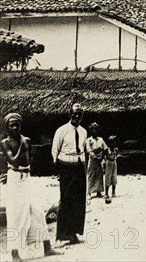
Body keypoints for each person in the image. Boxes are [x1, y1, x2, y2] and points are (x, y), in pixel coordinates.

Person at [1, 113, 62, 261]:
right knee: (16, 215)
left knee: (37, 211)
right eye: (12, 125)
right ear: (7, 128)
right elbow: (14, 161)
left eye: (17, 125)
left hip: (26, 178)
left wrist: (26, 167)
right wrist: (21, 146)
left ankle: (47, 247)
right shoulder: (5, 143)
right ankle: (14, 253)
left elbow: (29, 160)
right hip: (15, 180)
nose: (15, 127)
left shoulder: (27, 140)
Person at [51, 103, 88, 244]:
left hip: (79, 166)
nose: (77, 117)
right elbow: (55, 148)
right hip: (65, 166)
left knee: (79, 200)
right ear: (69, 114)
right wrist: (56, 166)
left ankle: (75, 232)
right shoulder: (61, 130)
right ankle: (63, 234)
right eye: (75, 114)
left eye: (80, 114)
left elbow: (84, 150)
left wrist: (85, 166)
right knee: (66, 199)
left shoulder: (84, 131)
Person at [84, 122, 107, 199]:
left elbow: (105, 148)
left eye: (96, 129)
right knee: (91, 175)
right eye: (93, 129)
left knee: (99, 175)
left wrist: (102, 156)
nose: (95, 131)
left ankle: (99, 191)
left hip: (99, 160)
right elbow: (88, 150)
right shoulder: (89, 140)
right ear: (91, 130)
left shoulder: (101, 139)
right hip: (92, 160)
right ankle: (89, 193)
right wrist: (95, 155)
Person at [104, 136, 118, 200]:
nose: (112, 144)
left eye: (113, 142)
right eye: (111, 142)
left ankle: (113, 192)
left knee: (114, 177)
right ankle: (106, 193)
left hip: (114, 163)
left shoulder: (116, 149)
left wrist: (114, 159)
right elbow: (105, 156)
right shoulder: (107, 149)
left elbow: (116, 156)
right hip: (108, 163)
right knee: (108, 177)